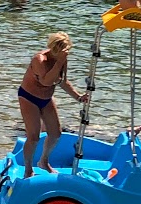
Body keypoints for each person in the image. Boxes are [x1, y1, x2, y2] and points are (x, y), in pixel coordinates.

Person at [16, 32, 88, 178]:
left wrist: (78, 97)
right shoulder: (40, 59)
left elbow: (62, 81)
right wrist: (59, 61)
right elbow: (46, 81)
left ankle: (43, 161)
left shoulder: (62, 59)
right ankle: (28, 169)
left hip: (47, 98)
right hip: (29, 98)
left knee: (55, 134)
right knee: (33, 137)